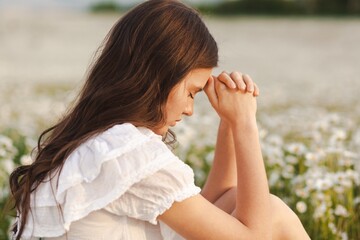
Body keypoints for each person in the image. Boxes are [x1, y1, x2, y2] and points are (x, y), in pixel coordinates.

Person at [9, 0, 310, 239]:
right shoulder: (128, 153)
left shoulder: (95, 142)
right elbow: (254, 236)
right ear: (162, 76)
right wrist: (246, 124)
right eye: (192, 93)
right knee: (272, 212)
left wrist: (229, 124)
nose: (191, 110)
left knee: (234, 199)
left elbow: (207, 211)